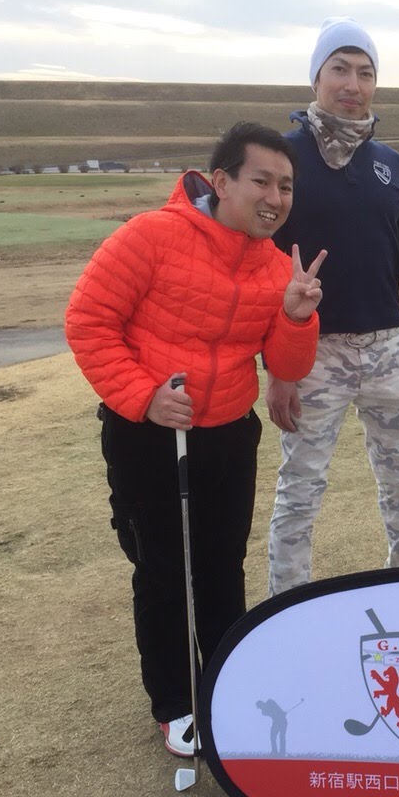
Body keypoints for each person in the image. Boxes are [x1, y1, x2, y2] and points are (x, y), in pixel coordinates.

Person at [66, 122, 325, 758]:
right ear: (221, 182)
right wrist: (144, 396)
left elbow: (285, 365)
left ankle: (226, 684)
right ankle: (175, 701)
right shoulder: (151, 236)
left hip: (228, 436)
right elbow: (88, 321)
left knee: (220, 566)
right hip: (148, 434)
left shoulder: (276, 266)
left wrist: (296, 315)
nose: (276, 198)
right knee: (161, 569)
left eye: (286, 186)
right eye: (261, 181)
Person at [266, 17, 399, 595]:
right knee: (301, 486)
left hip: (388, 347)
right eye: (339, 68)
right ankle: (285, 602)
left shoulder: (391, 164)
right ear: (316, 77)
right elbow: (261, 266)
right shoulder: (283, 158)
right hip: (312, 351)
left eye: (365, 73)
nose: (352, 83)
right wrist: (279, 366)